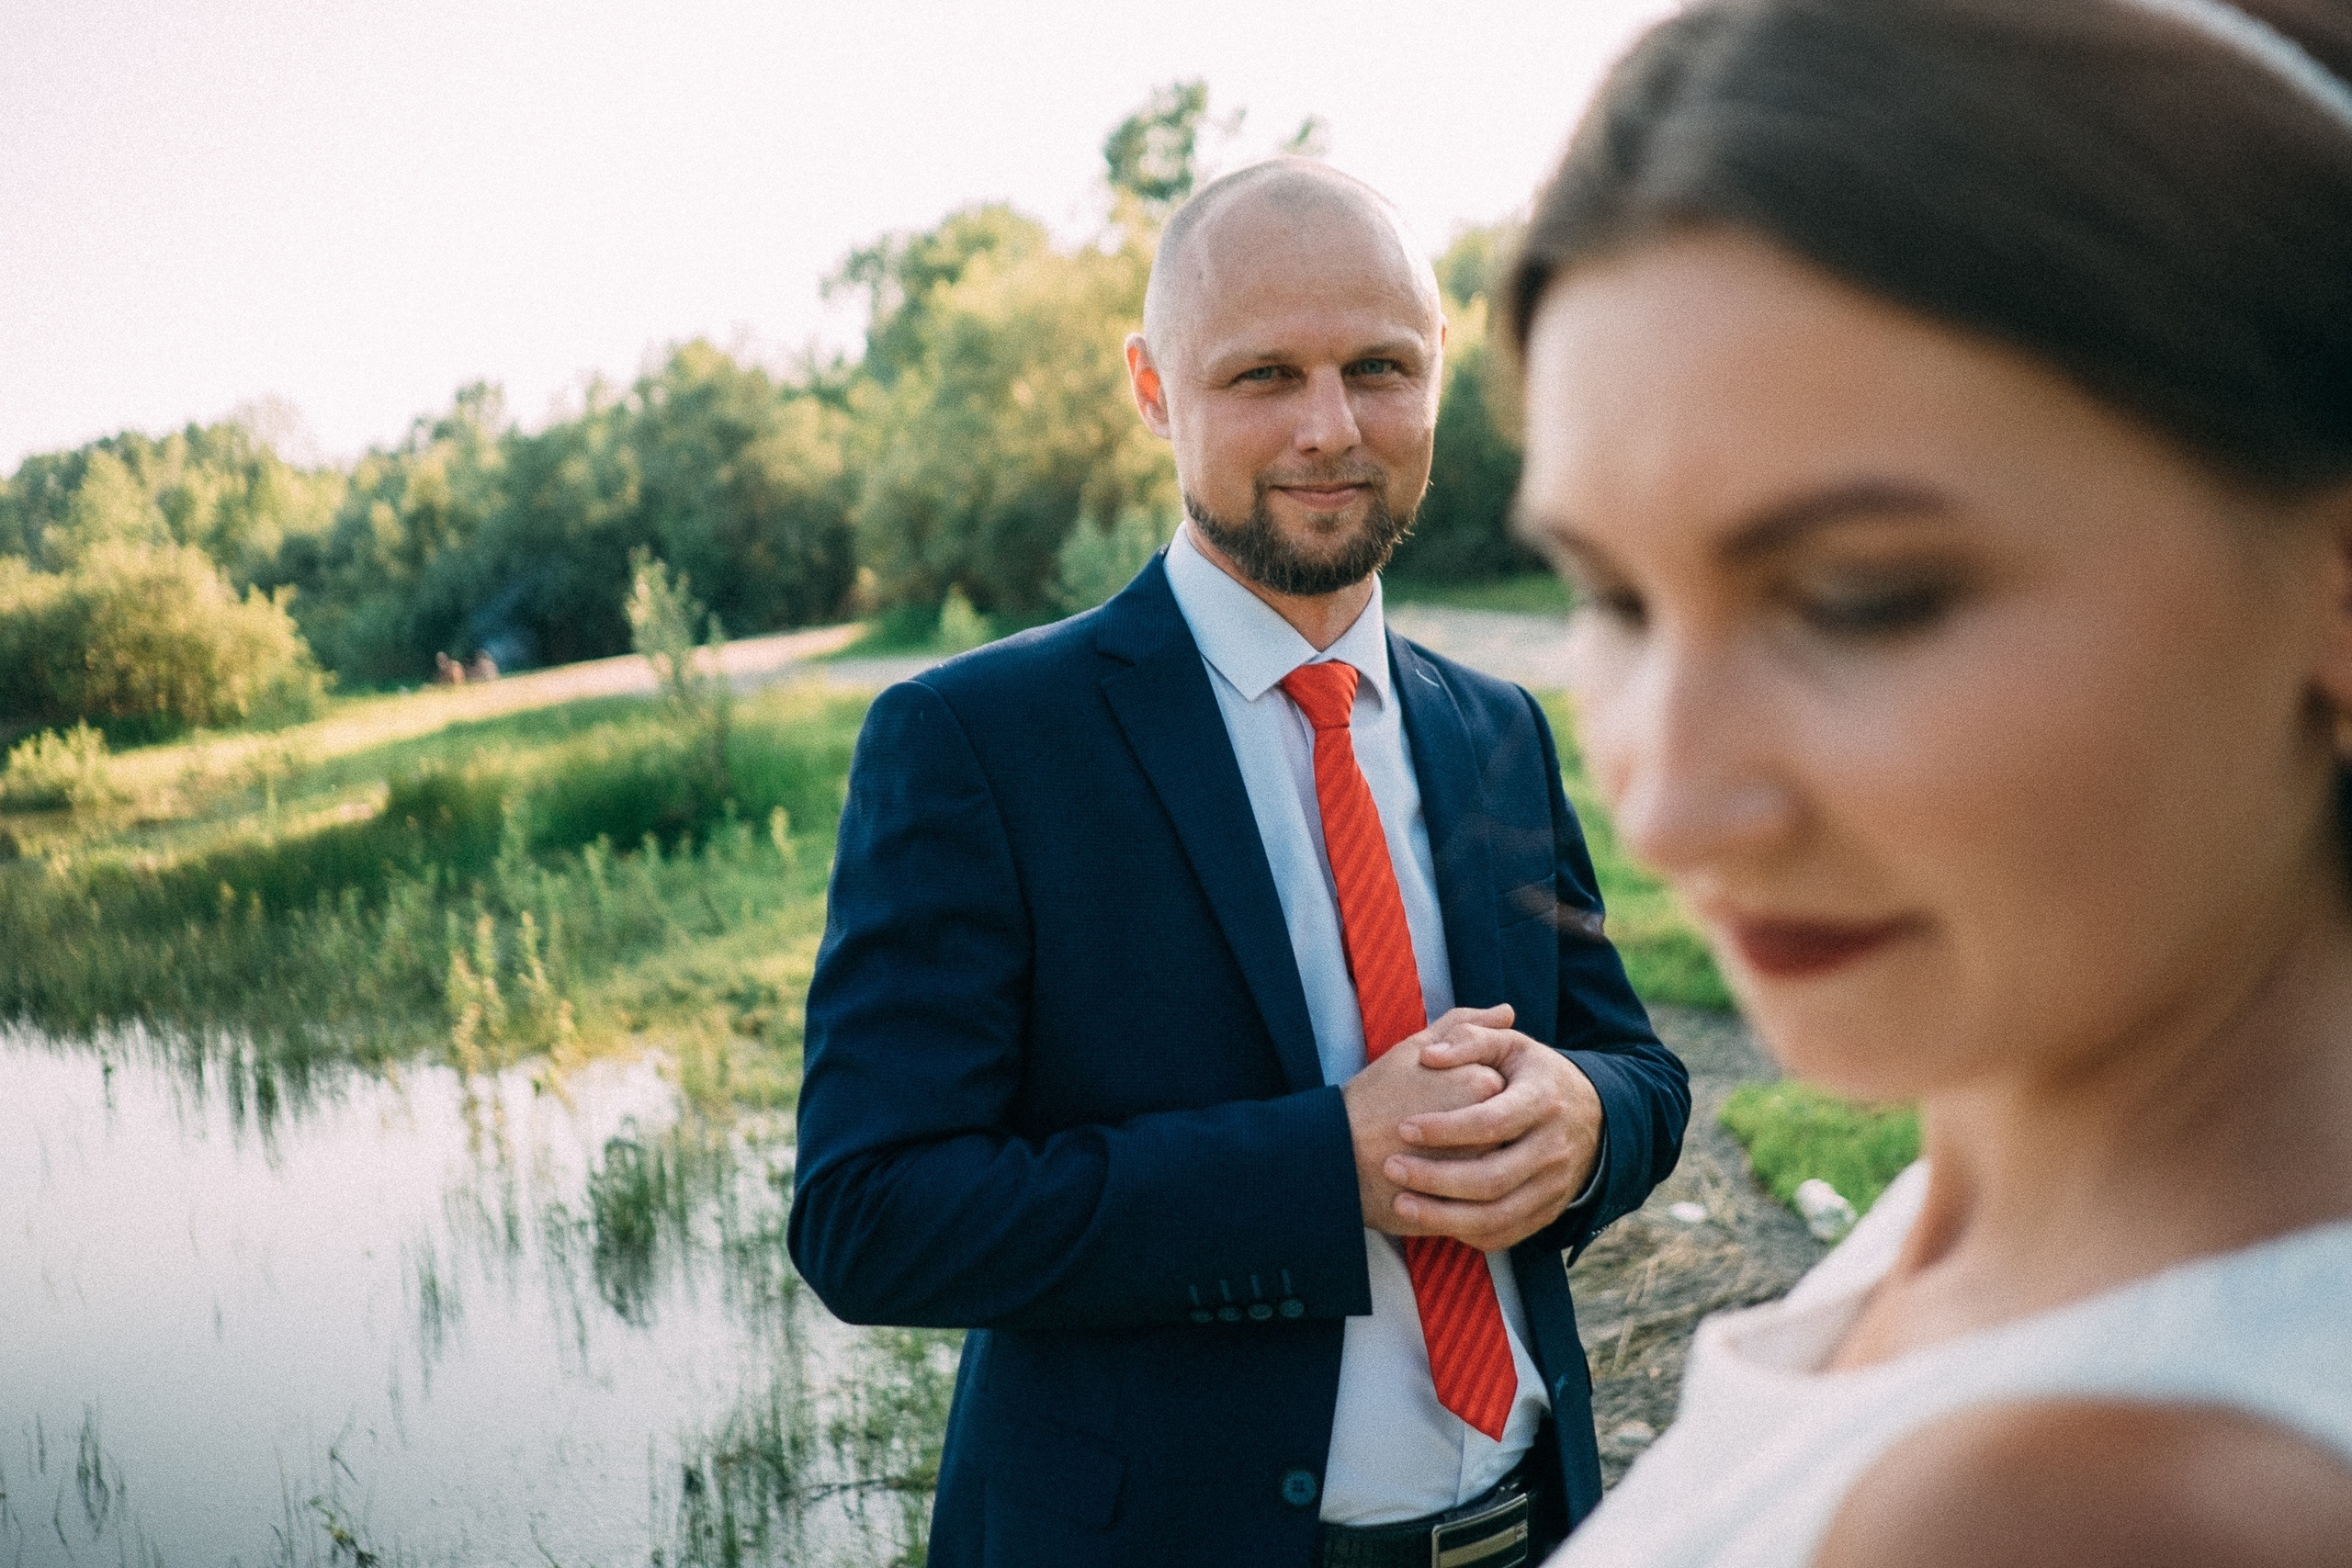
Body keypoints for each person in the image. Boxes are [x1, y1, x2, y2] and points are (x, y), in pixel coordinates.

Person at [1500, 2, 2352, 1564]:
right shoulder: (1999, 1221)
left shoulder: (2091, 1512)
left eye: (1861, 597)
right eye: (1614, 598)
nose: (1669, 807)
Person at [787, 158, 1690, 1568]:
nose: (1330, 428)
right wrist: (1325, 1166)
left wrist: (1587, 1125)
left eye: (1378, 367)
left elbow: (1639, 1068)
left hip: (1534, 1525)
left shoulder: (1494, 728)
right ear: (1153, 390)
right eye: (1264, 373)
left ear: (1437, 372)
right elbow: (872, 1216)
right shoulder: (975, 743)